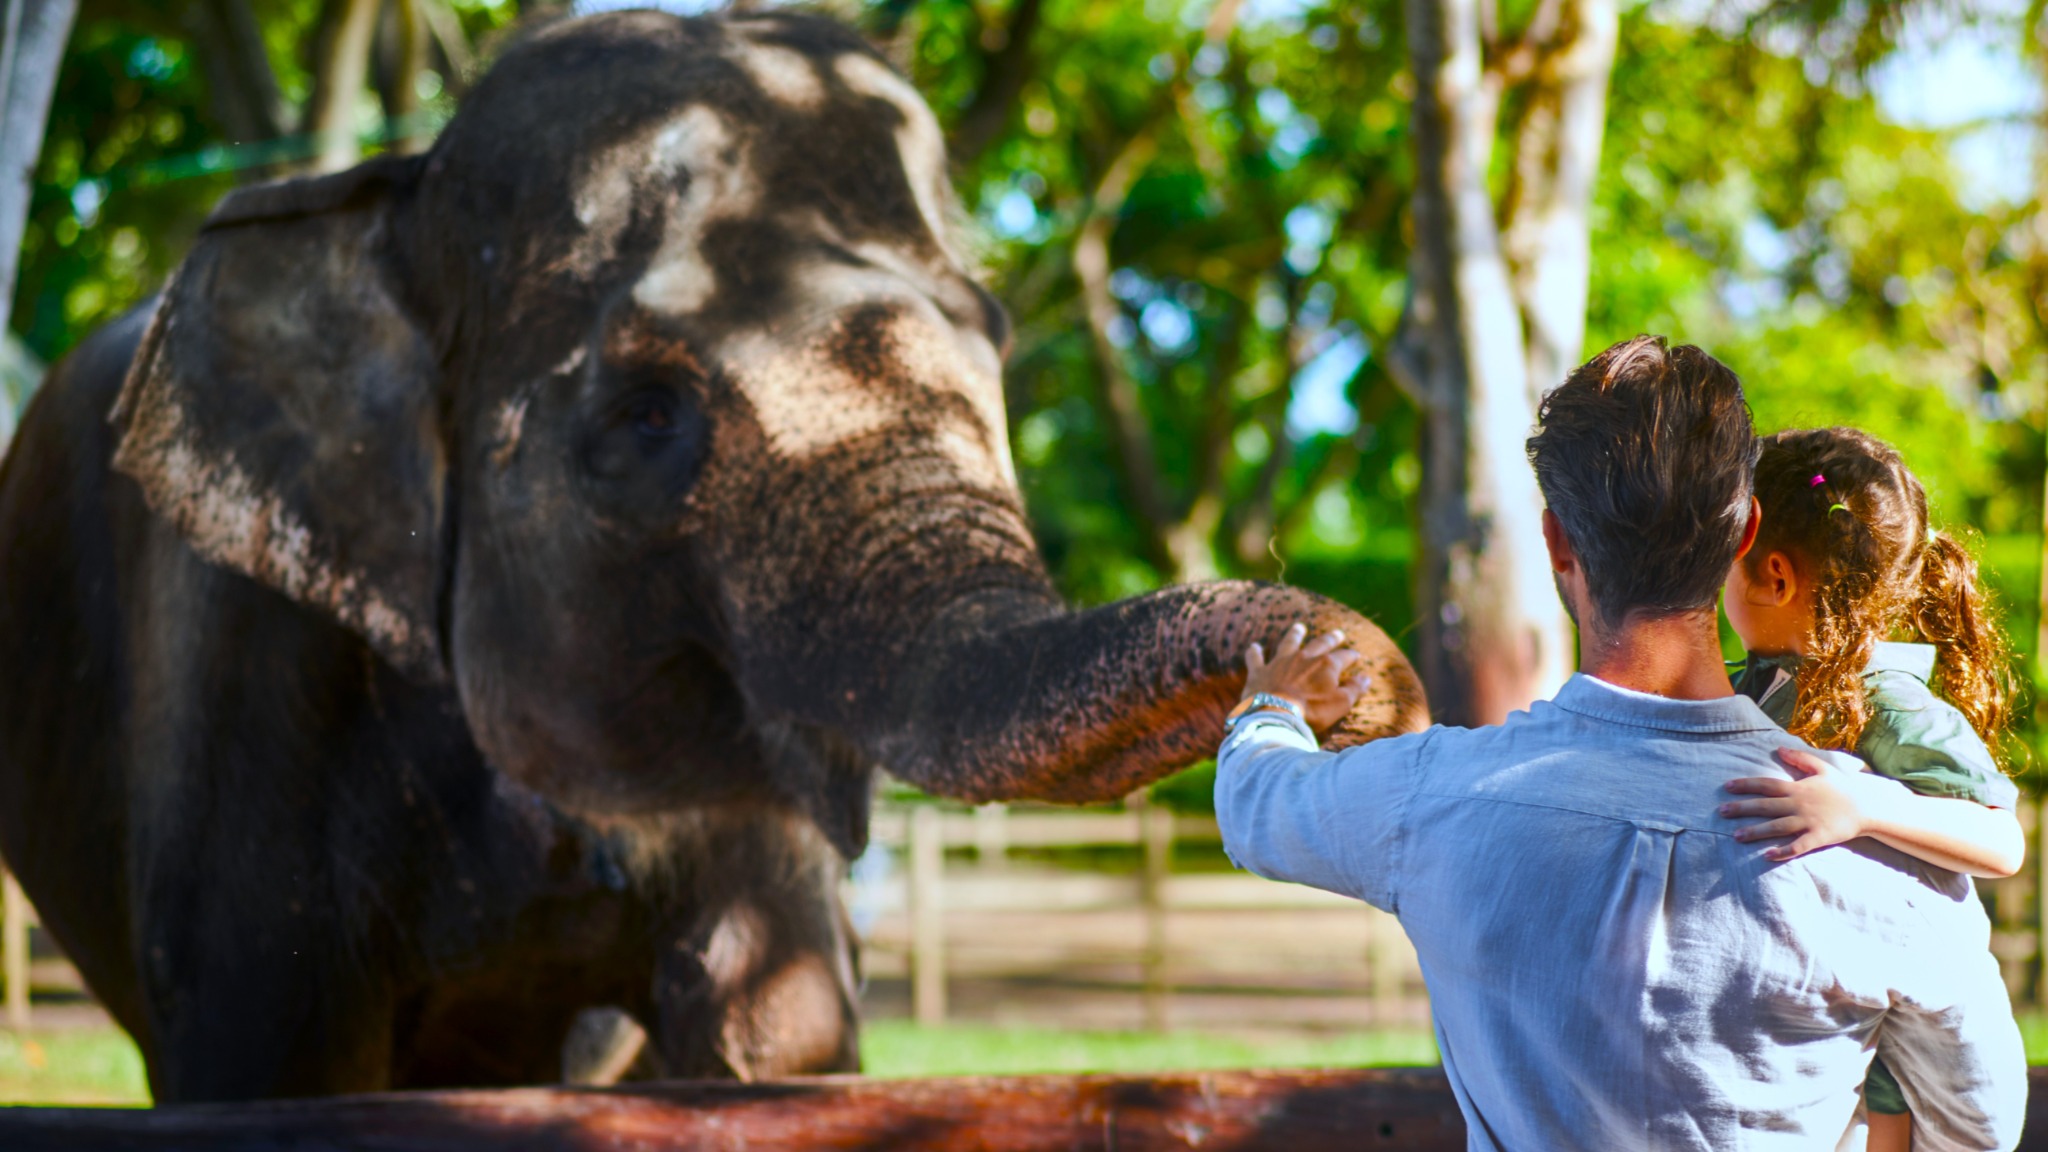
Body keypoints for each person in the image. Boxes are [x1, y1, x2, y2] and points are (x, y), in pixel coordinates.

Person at [1214, 335, 2025, 1150]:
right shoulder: (1883, 849)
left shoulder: (1433, 798)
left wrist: (1273, 703)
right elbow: (1979, 1125)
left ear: (1557, 542)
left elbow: (1253, 802)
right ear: (1746, 532)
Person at [1718, 426, 2024, 1151]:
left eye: (1723, 559)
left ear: (1774, 577)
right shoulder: (1761, 686)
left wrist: (1867, 806)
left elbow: (2001, 839)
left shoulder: (1889, 702)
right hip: (1836, 1009)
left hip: (1913, 1046)